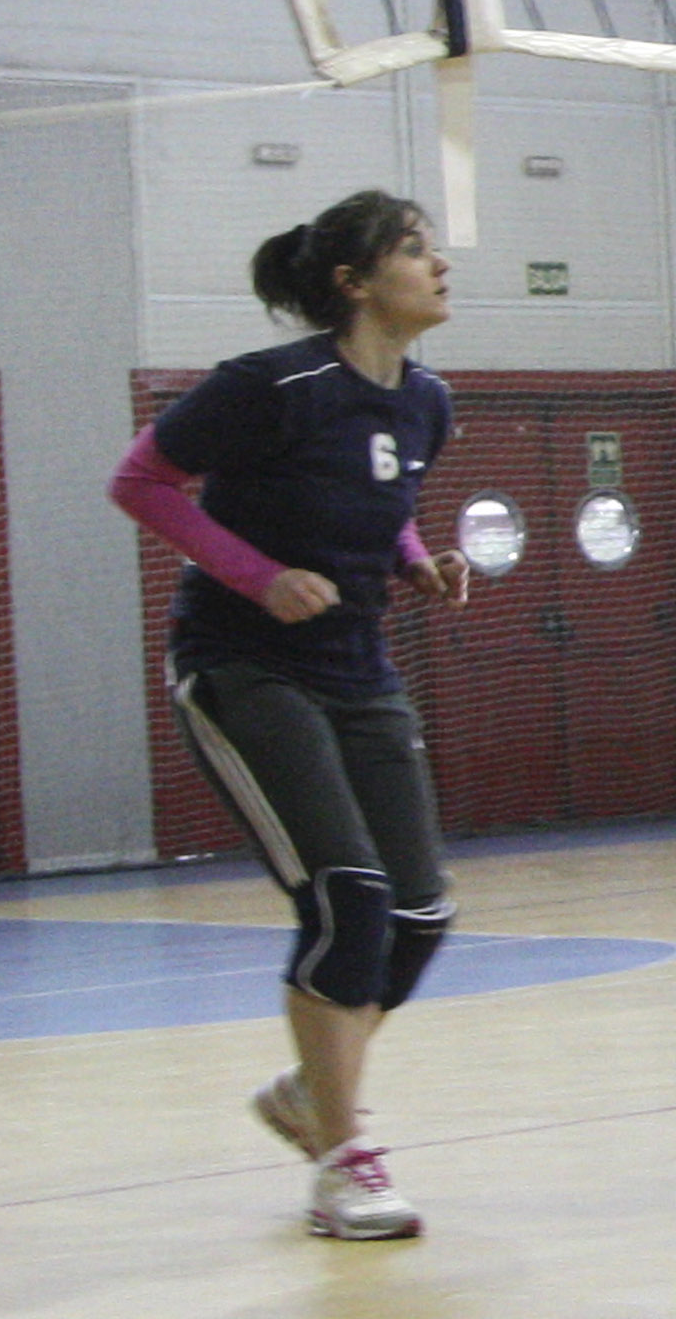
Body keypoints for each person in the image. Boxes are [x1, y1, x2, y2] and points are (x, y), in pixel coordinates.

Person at [111, 190, 468, 1241]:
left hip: (359, 667)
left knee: (420, 913)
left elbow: (384, 502)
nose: (440, 265)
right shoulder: (271, 385)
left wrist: (416, 564)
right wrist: (257, 576)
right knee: (348, 901)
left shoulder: (427, 400)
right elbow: (142, 483)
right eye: (415, 251)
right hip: (244, 666)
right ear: (355, 284)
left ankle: (313, 1094)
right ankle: (342, 1160)